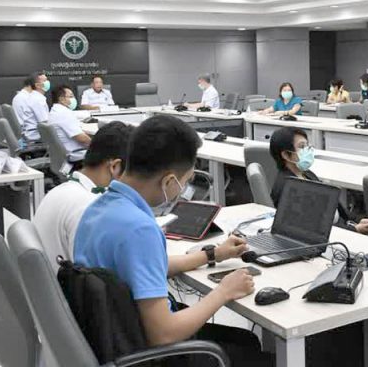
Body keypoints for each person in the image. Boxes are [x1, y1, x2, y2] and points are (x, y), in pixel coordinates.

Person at [74, 115, 271, 365]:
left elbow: (144, 267)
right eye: (185, 182)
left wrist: (212, 254)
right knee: (258, 359)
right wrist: (223, 291)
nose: (182, 189)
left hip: (115, 337)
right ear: (168, 181)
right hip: (146, 353)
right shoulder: (139, 229)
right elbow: (163, 334)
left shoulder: (99, 208)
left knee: (246, 340)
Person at [34, 121, 133, 272]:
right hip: (69, 284)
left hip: (49, 281)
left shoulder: (58, 191)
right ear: (115, 167)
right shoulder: (91, 208)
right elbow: (100, 275)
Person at [268, 127, 368, 235]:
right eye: (302, 146)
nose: (307, 150)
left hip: (342, 225)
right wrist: (354, 229)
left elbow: (335, 206)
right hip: (335, 235)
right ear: (286, 155)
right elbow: (314, 228)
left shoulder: (307, 174)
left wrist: (356, 221)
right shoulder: (287, 188)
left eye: (307, 145)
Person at [49, 85, 92, 153]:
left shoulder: (54, 111)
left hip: (61, 153)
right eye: (71, 96)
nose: (74, 99)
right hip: (75, 152)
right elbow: (83, 139)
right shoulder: (64, 114)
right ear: (61, 99)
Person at [22, 71, 50, 142]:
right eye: (45, 81)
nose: (48, 82)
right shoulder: (38, 100)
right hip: (36, 136)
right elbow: (45, 123)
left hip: (32, 134)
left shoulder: (34, 97)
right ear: (37, 85)